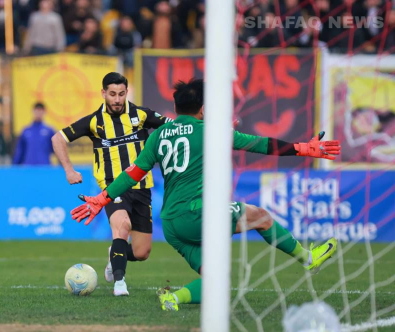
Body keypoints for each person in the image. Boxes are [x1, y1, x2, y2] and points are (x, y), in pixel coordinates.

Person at [71, 78, 341, 310]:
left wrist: (102, 198)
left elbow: (132, 174)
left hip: (172, 225)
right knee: (261, 217)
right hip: (199, 213)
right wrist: (303, 148)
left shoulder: (159, 135)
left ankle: (174, 298)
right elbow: (260, 144)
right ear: (202, 109)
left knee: (216, 282)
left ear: (176, 108)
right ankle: (308, 258)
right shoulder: (211, 131)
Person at [52, 72, 171, 296]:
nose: (117, 100)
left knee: (142, 251)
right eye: (113, 94)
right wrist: (69, 170)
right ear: (103, 93)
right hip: (112, 188)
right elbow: (57, 138)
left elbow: (173, 128)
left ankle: (114, 254)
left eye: (122, 94)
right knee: (122, 226)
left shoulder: (142, 115)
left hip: (142, 188)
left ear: (127, 92)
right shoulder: (94, 121)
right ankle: (119, 283)